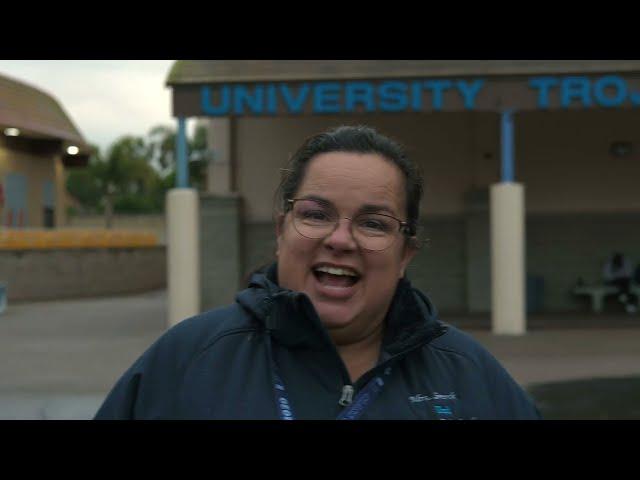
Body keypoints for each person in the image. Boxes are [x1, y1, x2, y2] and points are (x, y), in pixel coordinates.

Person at [94, 125, 541, 420]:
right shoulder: (187, 361)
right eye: (315, 214)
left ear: (406, 253)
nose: (341, 239)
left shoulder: (469, 376)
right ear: (281, 231)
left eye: (373, 223)